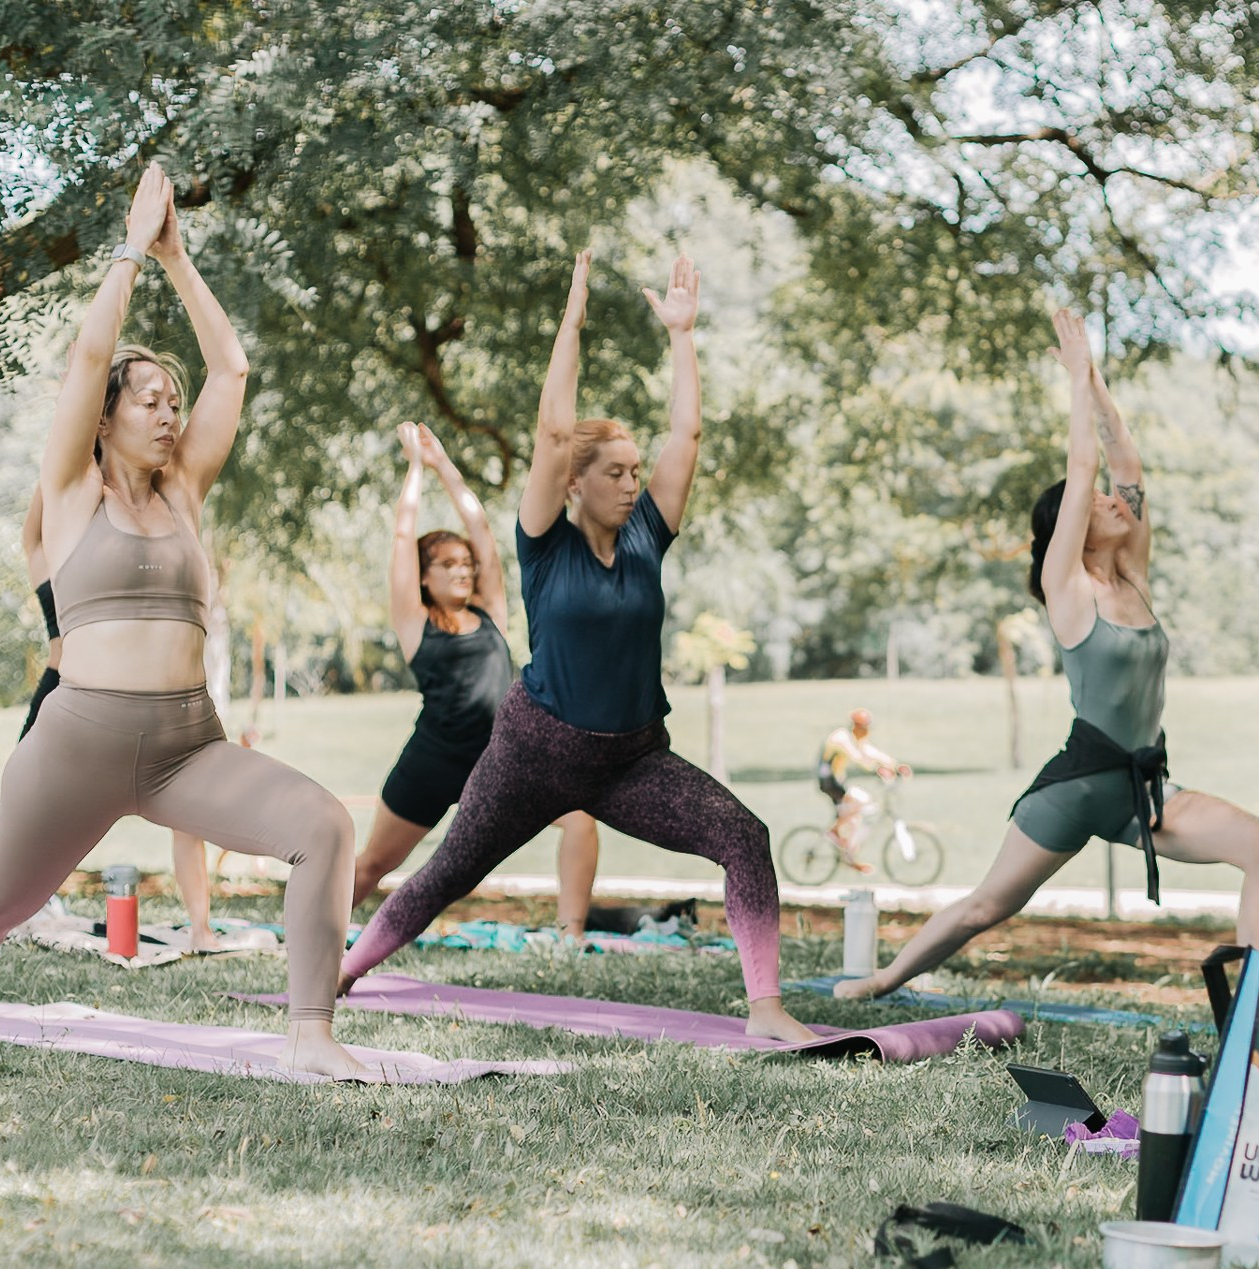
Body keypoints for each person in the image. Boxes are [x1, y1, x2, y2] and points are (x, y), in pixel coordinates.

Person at [0, 165, 366, 1077]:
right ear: (104, 420)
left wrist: (179, 259)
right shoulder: (68, 491)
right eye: (150, 402)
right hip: (78, 742)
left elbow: (233, 368)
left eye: (175, 405)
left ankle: (310, 1036)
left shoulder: (186, 491)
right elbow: (89, 359)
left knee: (323, 824)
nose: (170, 415)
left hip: (187, 746)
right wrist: (131, 249)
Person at [341, 251, 816, 1042]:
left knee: (745, 838)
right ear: (575, 481)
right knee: (449, 872)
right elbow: (554, 428)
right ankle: (345, 972)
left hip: (632, 758)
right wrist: (572, 323)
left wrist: (682, 337)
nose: (633, 483)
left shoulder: (646, 541)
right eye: (616, 472)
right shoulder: (543, 544)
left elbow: (687, 431)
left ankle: (766, 1008)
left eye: (637, 471)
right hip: (535, 749)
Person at [837, 309, 1259, 1000]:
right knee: (988, 906)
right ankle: (884, 978)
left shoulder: (1131, 577)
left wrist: (1096, 381)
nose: (1113, 498)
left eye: (1113, 498)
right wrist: (1073, 379)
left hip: (1145, 793)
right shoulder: (1067, 590)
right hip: (1074, 790)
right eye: (1098, 500)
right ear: (1070, 528)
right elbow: (1084, 467)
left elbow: (1122, 458)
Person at [351, 421, 601, 940]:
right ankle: (315, 926)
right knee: (372, 865)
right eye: (447, 565)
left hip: (503, 755)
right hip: (433, 761)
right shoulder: (414, 624)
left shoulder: (490, 612)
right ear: (424, 576)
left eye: (466, 564)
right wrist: (416, 468)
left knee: (579, 820)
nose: (464, 571)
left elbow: (484, 531)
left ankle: (570, 936)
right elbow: (402, 534)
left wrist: (445, 464)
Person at [23, 486, 222, 952]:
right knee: (30, 808)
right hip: (63, 695)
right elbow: (32, 537)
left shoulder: (121, 552)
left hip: (137, 698)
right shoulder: (66, 558)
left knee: (187, 814)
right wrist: (56, 464)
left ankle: (201, 926)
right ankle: (16, 908)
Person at [816, 708, 911, 872]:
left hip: (837, 781)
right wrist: (878, 769)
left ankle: (849, 855)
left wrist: (894, 765)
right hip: (829, 781)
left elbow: (870, 751)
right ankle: (834, 832)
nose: (867, 732)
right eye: (865, 728)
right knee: (863, 801)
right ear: (857, 727)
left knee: (856, 818)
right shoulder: (841, 737)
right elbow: (858, 757)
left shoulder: (854, 737)